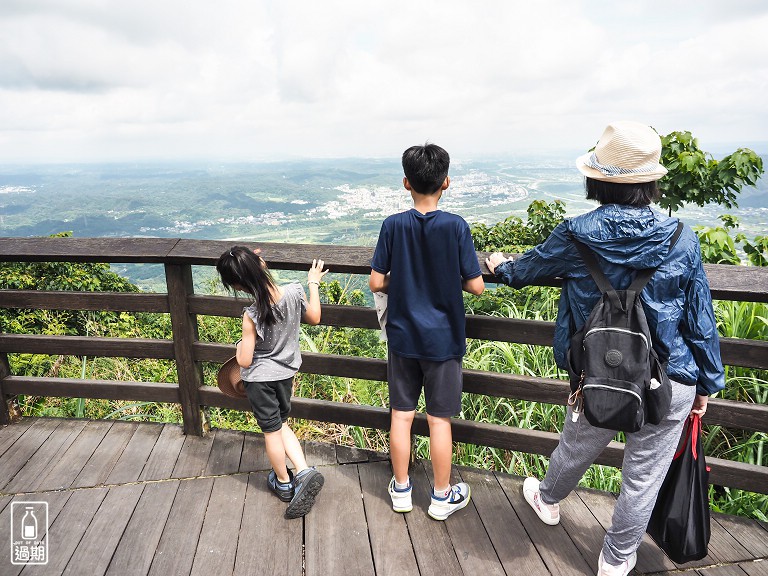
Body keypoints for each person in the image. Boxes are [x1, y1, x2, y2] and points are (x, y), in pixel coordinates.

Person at [486, 121, 724, 576]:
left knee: (576, 444)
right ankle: (615, 559)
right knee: (644, 476)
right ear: (651, 181)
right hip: (670, 376)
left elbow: (527, 269)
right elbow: (700, 319)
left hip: (600, 371)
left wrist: (501, 265)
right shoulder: (681, 238)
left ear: (597, 178)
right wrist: (708, 382)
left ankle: (548, 499)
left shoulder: (576, 233)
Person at [369, 143, 485, 521]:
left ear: (407, 183)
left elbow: (375, 282)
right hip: (444, 339)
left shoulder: (393, 225)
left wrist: (400, 283)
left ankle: (401, 490)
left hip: (403, 337)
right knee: (439, 420)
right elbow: (476, 286)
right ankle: (440, 496)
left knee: (401, 415)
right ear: (446, 182)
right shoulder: (456, 226)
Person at [216, 246, 329, 519]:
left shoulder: (252, 314)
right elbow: (314, 317)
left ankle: (284, 482)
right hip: (285, 374)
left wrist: (241, 342)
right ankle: (303, 471)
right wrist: (313, 284)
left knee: (270, 431)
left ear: (238, 286)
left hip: (259, 380)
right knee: (281, 423)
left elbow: (244, 360)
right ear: (262, 264)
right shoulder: (293, 291)